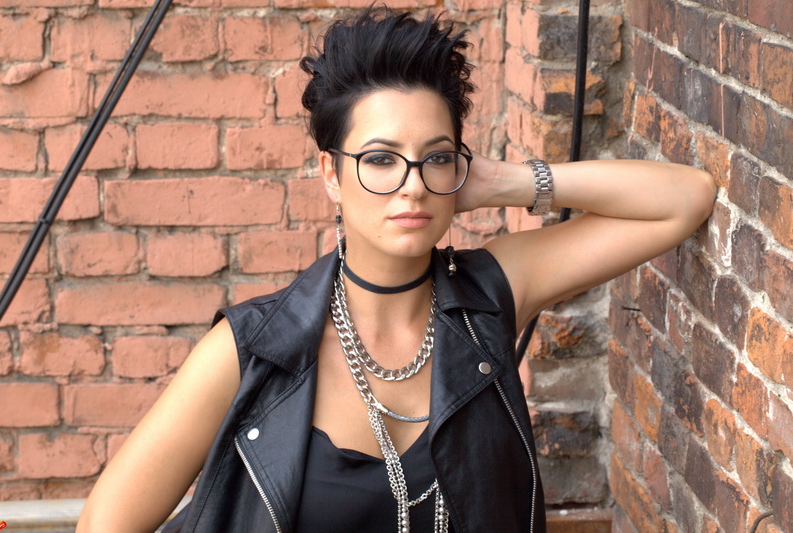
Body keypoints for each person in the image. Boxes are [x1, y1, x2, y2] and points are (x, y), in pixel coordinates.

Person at [76, 6, 716, 533]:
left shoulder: (492, 294)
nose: (411, 185)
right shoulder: (252, 351)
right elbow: (105, 524)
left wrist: (504, 181)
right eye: (381, 160)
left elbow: (684, 200)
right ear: (331, 173)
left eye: (434, 158)